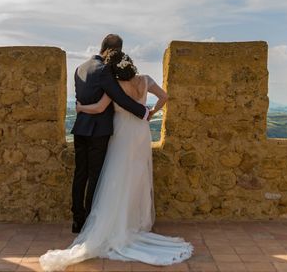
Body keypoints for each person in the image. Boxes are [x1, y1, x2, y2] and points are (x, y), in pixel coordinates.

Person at [39, 50, 194, 271]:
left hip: (122, 133)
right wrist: (151, 113)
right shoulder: (146, 80)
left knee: (117, 176)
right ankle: (137, 222)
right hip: (141, 132)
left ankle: (118, 222)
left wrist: (81, 107)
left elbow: (100, 108)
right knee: (137, 175)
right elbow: (165, 97)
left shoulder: (115, 87)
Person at [69, 34, 150, 234]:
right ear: (114, 50)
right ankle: (90, 222)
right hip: (99, 131)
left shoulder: (79, 68)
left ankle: (77, 221)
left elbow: (83, 98)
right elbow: (119, 97)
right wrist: (144, 112)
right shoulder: (105, 70)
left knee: (80, 175)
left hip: (80, 128)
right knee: (95, 176)